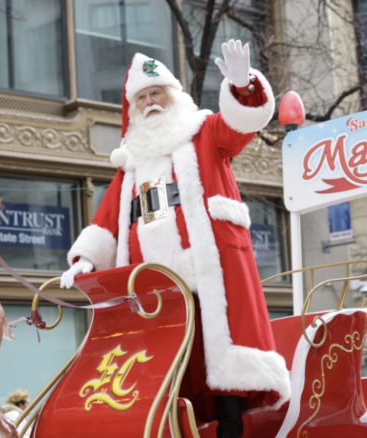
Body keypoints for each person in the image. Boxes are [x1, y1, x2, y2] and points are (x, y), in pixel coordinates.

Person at [61, 40, 290, 437]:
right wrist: (86, 259)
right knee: (166, 363)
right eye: (143, 96)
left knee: (219, 353)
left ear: (172, 95)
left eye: (157, 93)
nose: (151, 101)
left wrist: (243, 84)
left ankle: (230, 430)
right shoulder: (135, 163)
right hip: (154, 284)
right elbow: (111, 220)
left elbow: (242, 126)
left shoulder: (202, 132)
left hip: (207, 267)